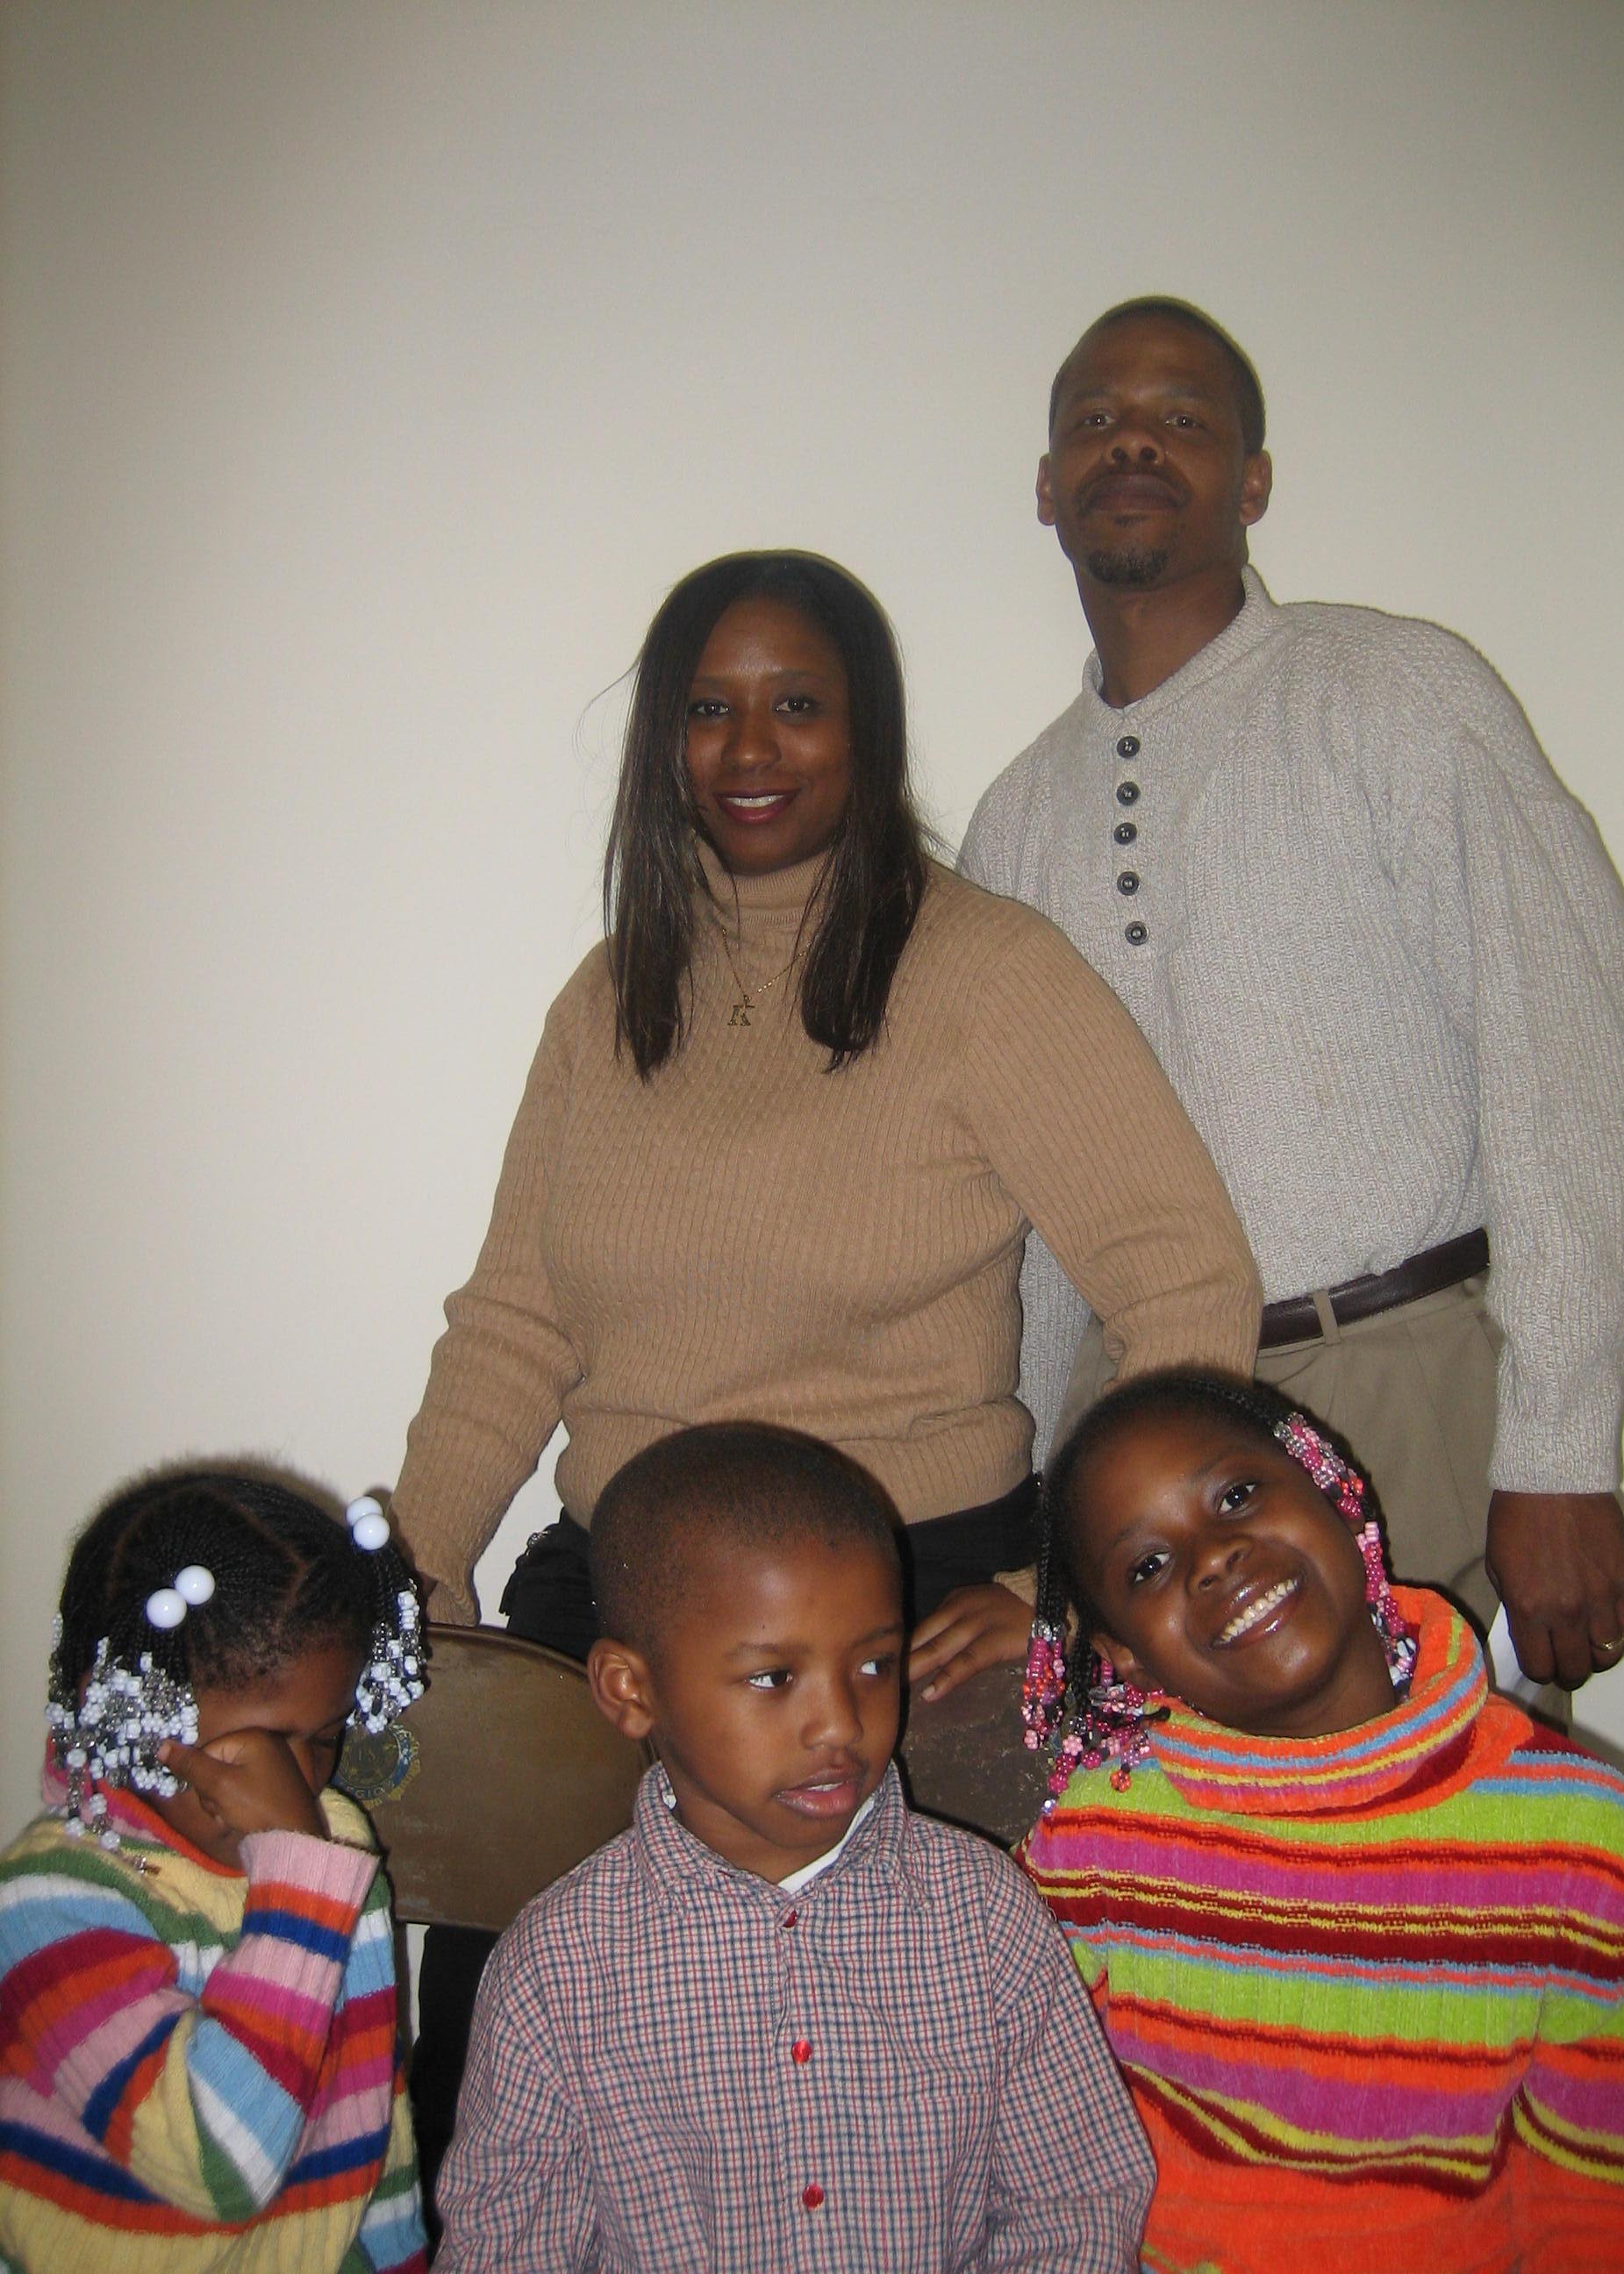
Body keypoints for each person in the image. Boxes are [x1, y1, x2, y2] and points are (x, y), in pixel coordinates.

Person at [389, 549, 1259, 2205]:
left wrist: (1068, 1587)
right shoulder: (605, 1003)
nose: (749, 746)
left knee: (890, 2099)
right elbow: (514, 1322)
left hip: (906, 1604)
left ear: (868, 730)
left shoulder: (988, 973)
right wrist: (414, 1564)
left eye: (797, 702)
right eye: (707, 708)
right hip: (625, 1598)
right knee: (502, 2057)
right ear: (663, 741)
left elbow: (1182, 1282)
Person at [958, 297, 1624, 1699]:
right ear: (1045, 485)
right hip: (1139, 1453)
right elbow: (1022, 1231)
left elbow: (1572, 1060)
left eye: (1182, 418)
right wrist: (1026, 1514)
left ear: (1254, 481)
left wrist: (1561, 1454)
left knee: (1449, 1828)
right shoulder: (1015, 820)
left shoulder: (1397, 693)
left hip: (1410, 1403)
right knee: (1183, 1839)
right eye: (1096, 421)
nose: (1133, 442)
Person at [435, 1421, 1154, 2272]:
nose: (839, 1725)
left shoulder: (984, 1913)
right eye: (774, 1678)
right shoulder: (556, 1972)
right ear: (631, 1691)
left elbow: (1078, 2205)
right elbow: (506, 2251)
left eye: (874, 1665)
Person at [1018, 1369, 1624, 2274]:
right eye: (1148, 1566)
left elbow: (1599, 2201)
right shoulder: (1097, 1839)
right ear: (1125, 1660)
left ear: (1333, 1488)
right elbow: (1034, 2153)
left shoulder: (1582, 1838)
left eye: (1237, 1496)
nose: (1212, 1557)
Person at [0, 1464, 428, 2274]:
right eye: (248, 1754)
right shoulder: (51, 1902)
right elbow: (220, 2167)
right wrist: (296, 1881)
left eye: (324, 1738)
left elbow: (368, 2130)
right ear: (124, 1709)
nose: (296, 1788)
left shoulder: (332, 1844)